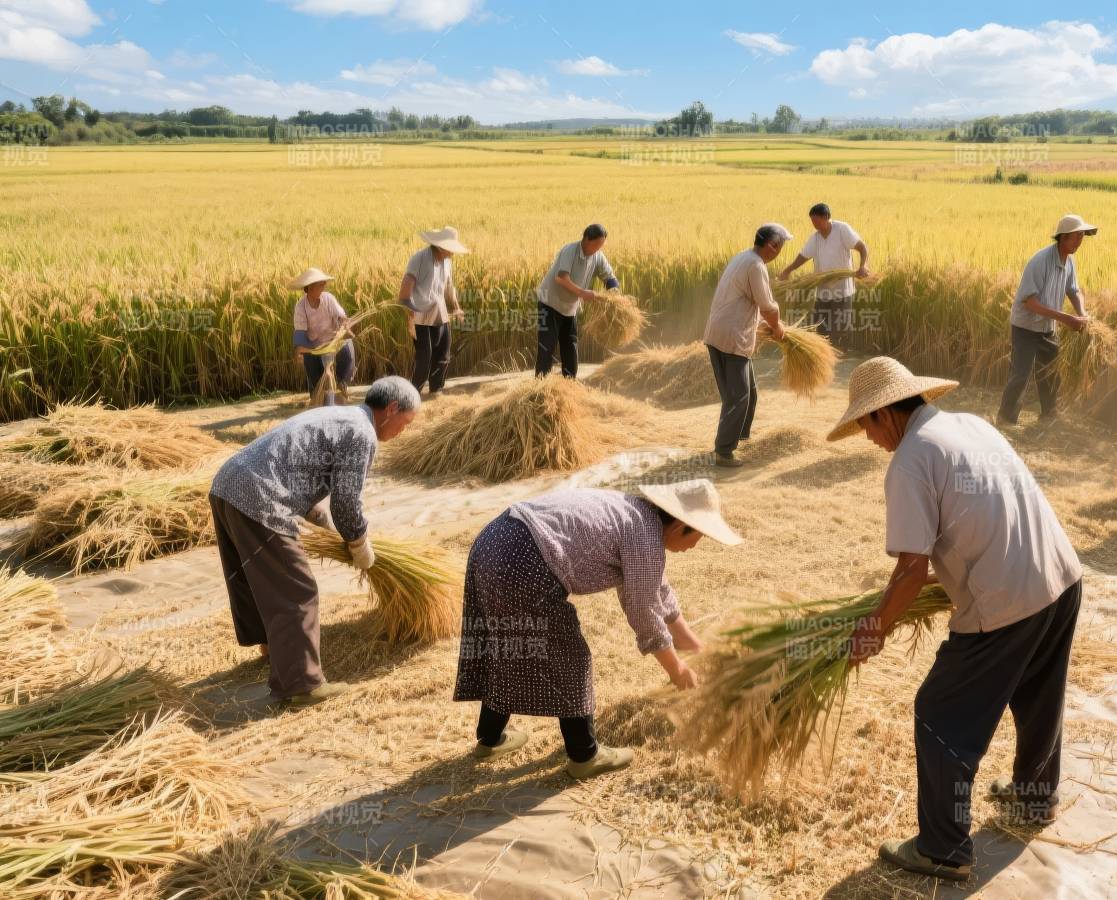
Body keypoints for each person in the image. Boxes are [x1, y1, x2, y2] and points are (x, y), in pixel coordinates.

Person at [828, 356, 1085, 883]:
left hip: (1008, 602)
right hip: (1060, 575)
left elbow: (909, 568)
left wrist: (873, 629)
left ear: (882, 414)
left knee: (939, 713)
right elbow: (980, 521)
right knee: (1039, 693)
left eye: (865, 426)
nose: (868, 439)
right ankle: (1035, 798)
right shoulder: (970, 425)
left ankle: (944, 849)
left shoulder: (910, 459)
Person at [451, 480, 741, 777]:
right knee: (570, 658)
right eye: (700, 536)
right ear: (681, 525)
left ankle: (490, 738)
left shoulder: (635, 515)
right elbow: (643, 611)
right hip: (525, 556)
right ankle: (585, 755)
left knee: (508, 643)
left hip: (494, 539)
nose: (695, 546)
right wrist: (677, 670)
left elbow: (658, 593)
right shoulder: (645, 535)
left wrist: (697, 650)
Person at [208, 376, 421, 706]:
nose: (401, 432)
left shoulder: (339, 416)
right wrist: (359, 545)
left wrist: (318, 518)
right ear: (391, 409)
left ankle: (271, 647)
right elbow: (346, 502)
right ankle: (302, 684)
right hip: (259, 495)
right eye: (405, 424)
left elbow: (295, 464)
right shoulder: (363, 432)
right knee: (297, 589)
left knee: (255, 573)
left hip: (227, 484)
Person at [997, 214, 1097, 428]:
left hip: (1048, 327)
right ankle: (1005, 420)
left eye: (1082, 237)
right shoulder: (1040, 261)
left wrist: (1082, 312)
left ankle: (1049, 415)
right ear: (1063, 237)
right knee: (1020, 375)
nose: (1080, 241)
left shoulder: (1069, 262)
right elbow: (1029, 302)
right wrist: (1066, 318)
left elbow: (1074, 290)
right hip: (1026, 326)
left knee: (1050, 373)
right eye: (1076, 237)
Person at [702, 223, 789, 468]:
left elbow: (744, 300)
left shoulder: (743, 257)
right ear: (772, 246)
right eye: (780, 246)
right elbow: (768, 307)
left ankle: (737, 437)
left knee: (749, 392)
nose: (780, 251)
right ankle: (723, 451)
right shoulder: (756, 265)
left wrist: (765, 324)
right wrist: (777, 326)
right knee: (738, 397)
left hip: (720, 332)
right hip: (732, 337)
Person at [536, 224, 621, 379]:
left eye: (601, 245)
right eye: (596, 244)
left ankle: (570, 384)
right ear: (586, 239)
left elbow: (609, 277)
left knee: (570, 347)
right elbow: (561, 278)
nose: (598, 248)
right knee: (547, 346)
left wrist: (614, 293)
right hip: (549, 303)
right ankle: (540, 386)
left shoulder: (597, 256)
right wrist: (582, 293)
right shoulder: (570, 250)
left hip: (570, 308)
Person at [776, 203, 870, 341]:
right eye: (812, 222)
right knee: (820, 330)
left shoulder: (841, 230)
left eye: (817, 221)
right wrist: (787, 271)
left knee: (839, 331)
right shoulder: (815, 238)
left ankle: (837, 352)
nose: (815, 225)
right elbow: (803, 256)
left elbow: (862, 247)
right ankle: (822, 352)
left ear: (826, 217)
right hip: (822, 292)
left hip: (842, 292)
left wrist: (863, 266)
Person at [399, 226, 469, 395]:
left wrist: (457, 307)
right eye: (450, 248)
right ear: (441, 247)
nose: (453, 253)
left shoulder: (447, 261)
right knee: (424, 360)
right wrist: (410, 318)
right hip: (420, 318)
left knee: (443, 357)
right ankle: (412, 396)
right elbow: (405, 292)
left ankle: (436, 393)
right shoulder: (419, 259)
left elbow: (449, 286)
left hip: (440, 314)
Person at [289, 268, 356, 404]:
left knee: (347, 349)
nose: (324, 286)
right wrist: (299, 351)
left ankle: (342, 383)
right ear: (310, 288)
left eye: (324, 283)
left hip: (333, 340)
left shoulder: (328, 299)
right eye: (320, 284)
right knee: (315, 377)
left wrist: (345, 326)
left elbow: (341, 317)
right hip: (314, 345)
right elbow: (300, 333)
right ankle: (316, 393)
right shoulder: (301, 307)